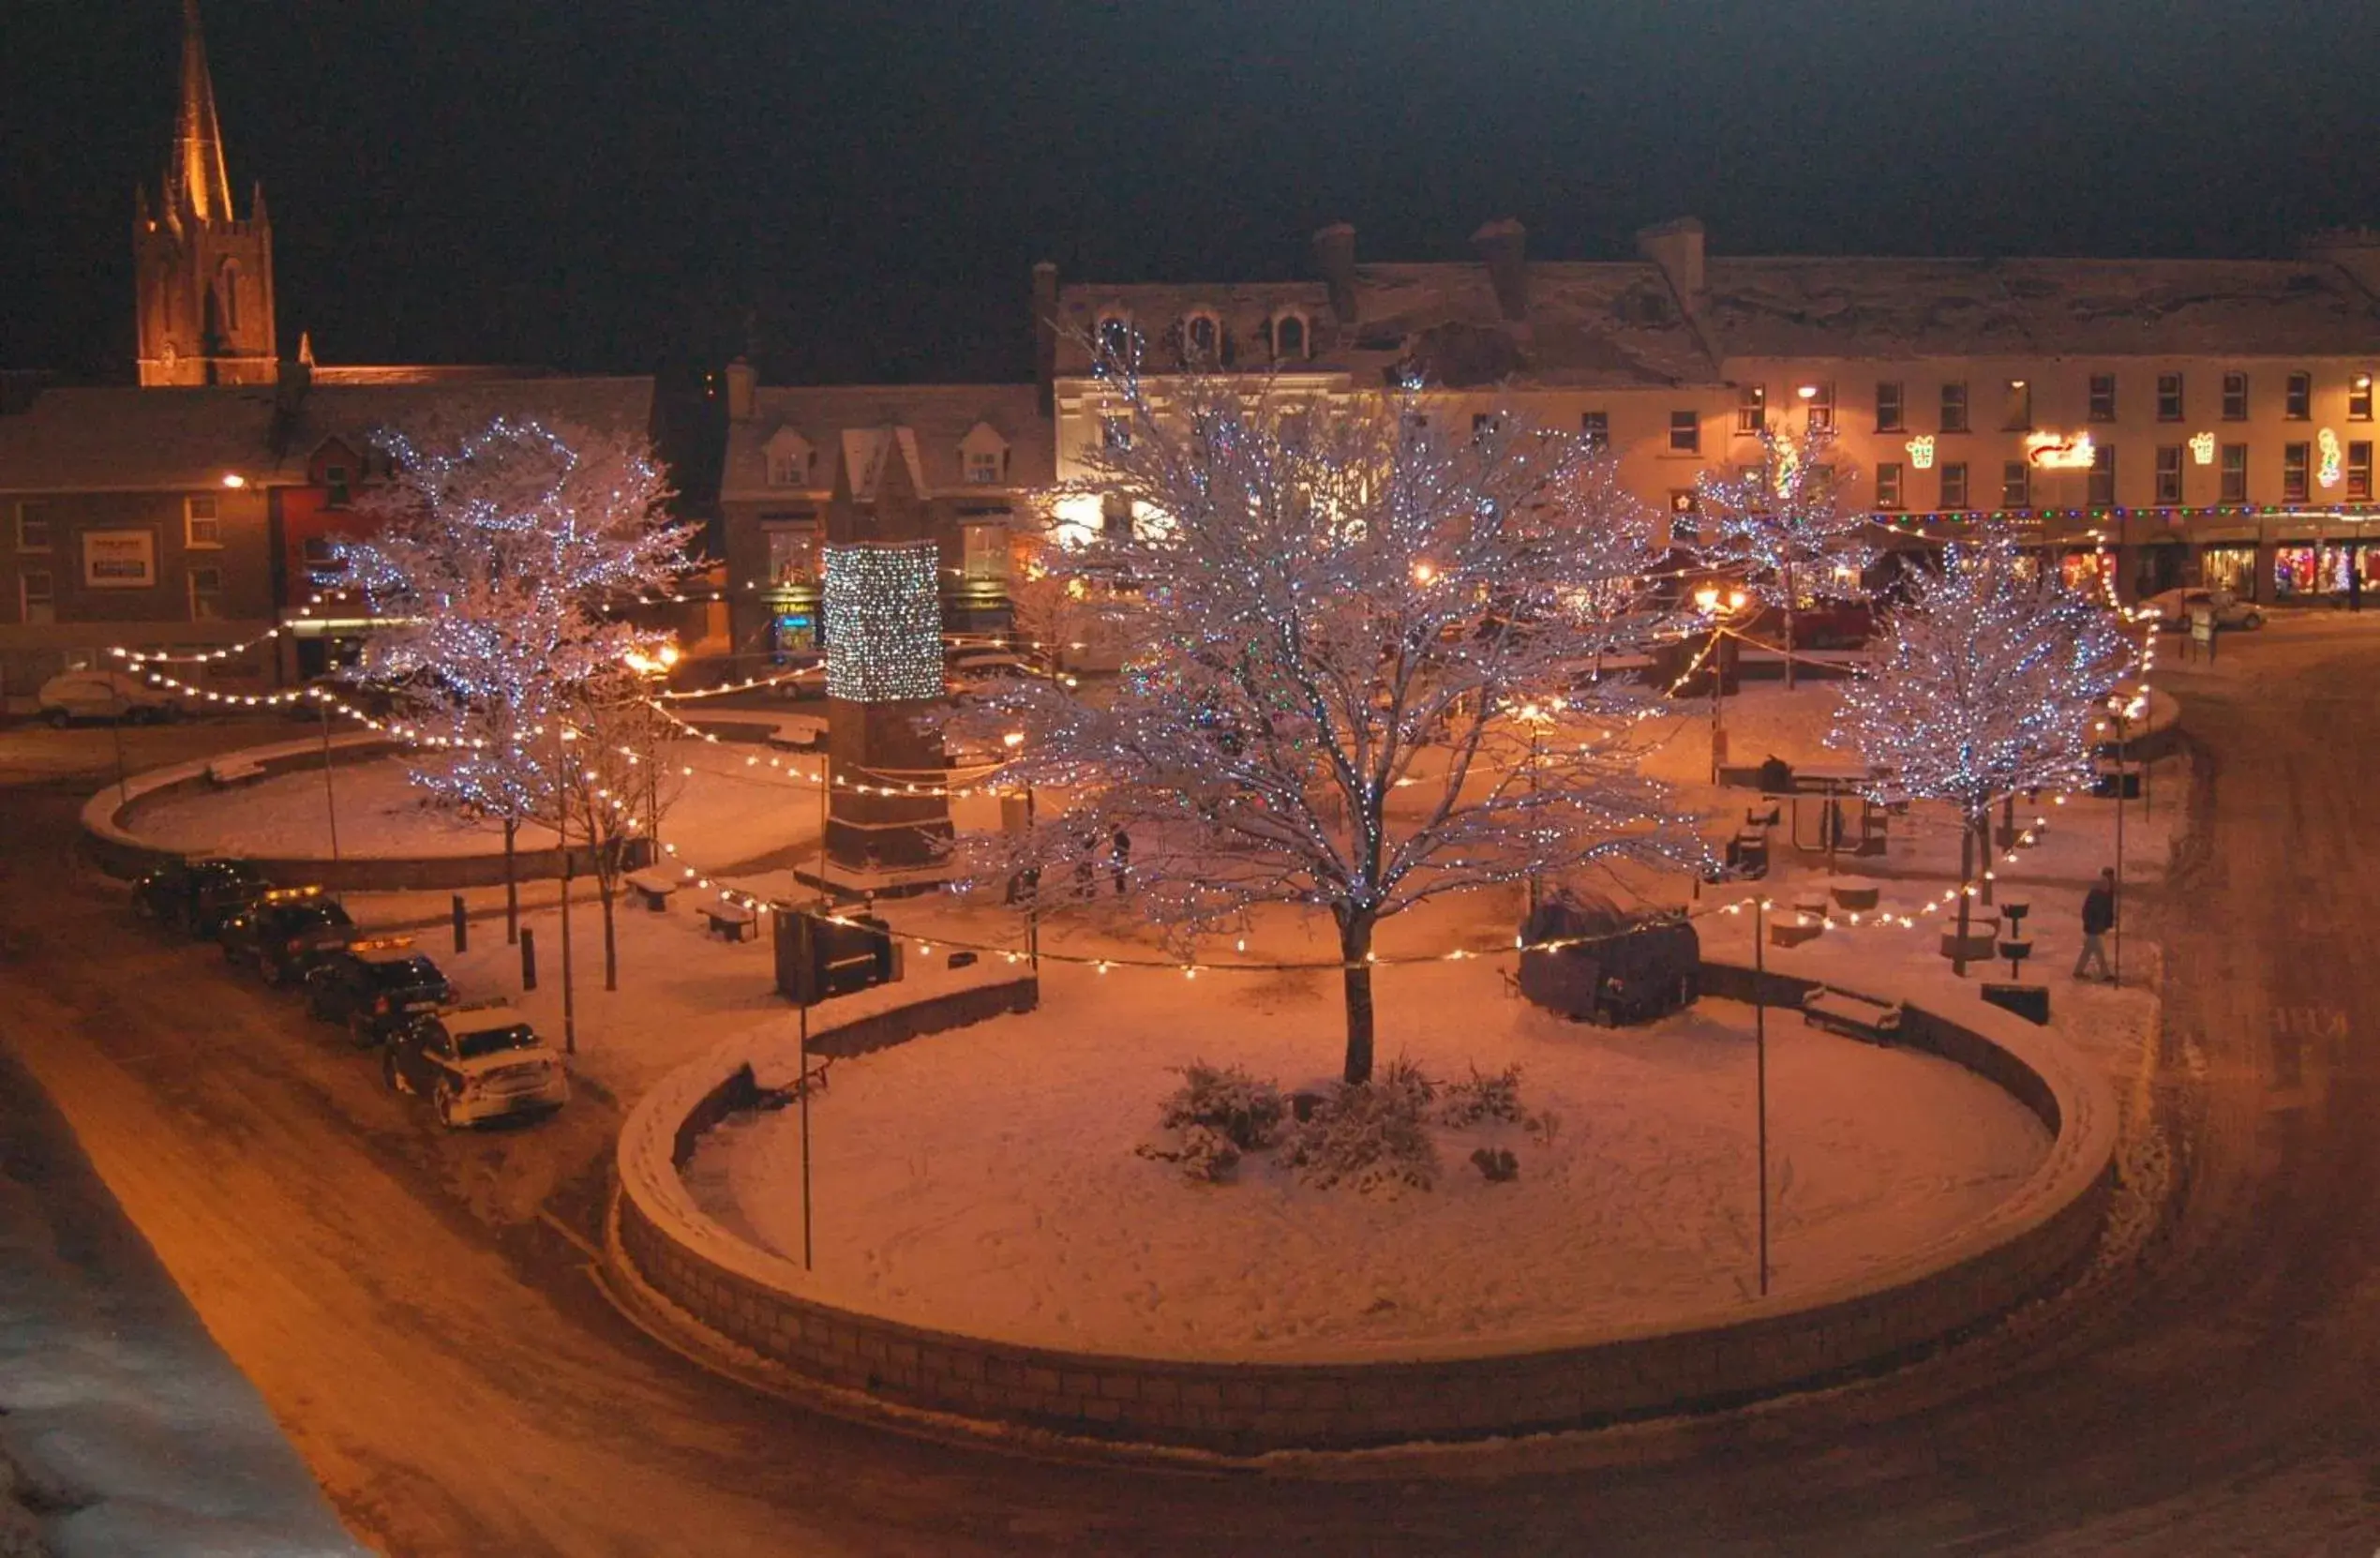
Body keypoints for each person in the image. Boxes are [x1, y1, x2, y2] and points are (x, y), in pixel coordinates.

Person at [2074, 867, 2117, 981]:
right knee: (2097, 950)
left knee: (2091, 950)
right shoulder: (2100, 892)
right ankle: (2104, 973)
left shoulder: (2107, 891)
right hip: (2093, 926)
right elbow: (2089, 910)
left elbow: (2107, 910)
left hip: (2096, 925)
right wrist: (2091, 922)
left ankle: (2079, 971)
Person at [1110, 826, 1131, 896]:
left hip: (1121, 857)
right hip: (1118, 856)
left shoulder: (1121, 836)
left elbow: (1126, 844)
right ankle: (1119, 887)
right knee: (1118, 872)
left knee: (1120, 872)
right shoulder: (1118, 836)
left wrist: (1121, 851)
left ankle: (1121, 888)